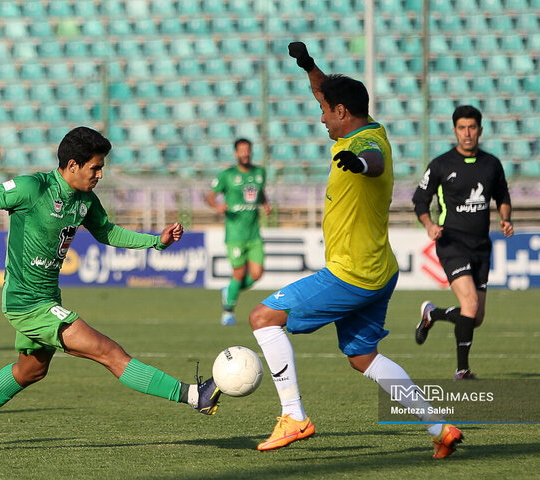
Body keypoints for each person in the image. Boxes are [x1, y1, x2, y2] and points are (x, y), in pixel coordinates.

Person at [0, 127, 221, 453]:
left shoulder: (85, 200)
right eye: (95, 168)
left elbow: (107, 232)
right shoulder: (32, 187)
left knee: (31, 370)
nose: (100, 175)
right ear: (72, 165)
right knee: (109, 352)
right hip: (25, 303)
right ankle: (195, 396)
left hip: (48, 298)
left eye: (101, 168)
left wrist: (157, 241)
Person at [247, 42, 463, 459]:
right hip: (380, 270)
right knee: (363, 357)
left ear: (343, 113)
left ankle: (294, 416)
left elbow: (374, 161)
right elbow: (326, 93)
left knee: (262, 318)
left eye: (326, 112)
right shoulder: (371, 126)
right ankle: (440, 428)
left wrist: (360, 166)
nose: (322, 118)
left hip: (352, 274)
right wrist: (309, 65)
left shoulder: (365, 146)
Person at [412, 105, 514, 380]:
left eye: (472, 128)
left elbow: (503, 195)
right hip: (451, 243)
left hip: (481, 246)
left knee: (476, 318)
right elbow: (420, 199)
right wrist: (430, 225)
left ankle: (432, 315)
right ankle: (462, 370)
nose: (467, 133)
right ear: (454, 130)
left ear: (480, 130)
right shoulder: (441, 164)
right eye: (461, 128)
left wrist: (506, 218)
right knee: (469, 305)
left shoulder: (491, 164)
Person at [205, 138, 271, 326]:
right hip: (235, 234)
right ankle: (228, 312)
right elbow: (209, 197)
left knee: (257, 274)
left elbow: (260, 192)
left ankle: (230, 290)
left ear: (251, 152)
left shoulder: (260, 172)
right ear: (236, 153)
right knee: (239, 273)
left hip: (254, 234)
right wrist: (217, 205)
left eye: (248, 150)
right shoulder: (227, 175)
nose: (245, 154)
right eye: (241, 150)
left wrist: (265, 203)